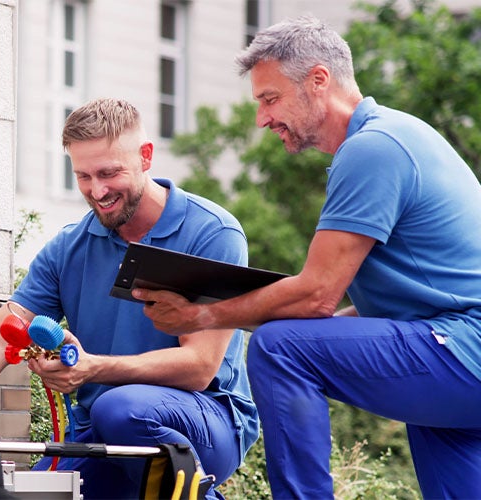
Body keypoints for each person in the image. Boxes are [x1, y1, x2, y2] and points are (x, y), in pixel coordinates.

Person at [134, 15, 481, 499]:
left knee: (282, 348)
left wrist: (202, 314)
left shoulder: (373, 149)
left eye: (270, 99)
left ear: (319, 80)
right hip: (456, 354)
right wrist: (320, 327)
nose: (261, 119)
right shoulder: (396, 136)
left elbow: (316, 296)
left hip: (464, 349)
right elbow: (410, 290)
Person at [0, 98, 259, 499]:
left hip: (207, 420)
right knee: (37, 492)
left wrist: (91, 369)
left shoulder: (212, 234)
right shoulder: (69, 248)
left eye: (109, 173)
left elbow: (200, 367)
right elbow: (2, 334)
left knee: (119, 409)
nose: (96, 191)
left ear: (146, 157)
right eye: (83, 176)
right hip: (100, 428)